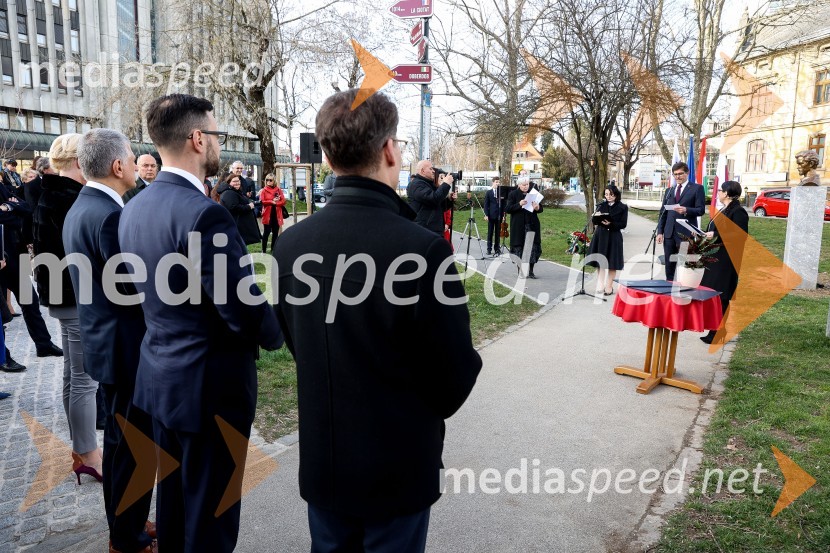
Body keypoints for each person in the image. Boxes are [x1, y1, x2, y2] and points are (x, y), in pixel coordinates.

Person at [273, 88, 481, 553]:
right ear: (389, 150)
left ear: (327, 157)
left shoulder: (289, 246)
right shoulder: (423, 250)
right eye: (401, 144)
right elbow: (453, 376)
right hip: (397, 465)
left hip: (326, 459)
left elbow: (294, 340)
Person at [118, 93, 283, 552]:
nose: (219, 145)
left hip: (161, 379)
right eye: (216, 135)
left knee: (175, 507)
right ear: (196, 139)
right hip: (210, 386)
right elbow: (241, 306)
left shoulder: (135, 206)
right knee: (211, 515)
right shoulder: (204, 213)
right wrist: (277, 330)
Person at [64, 128, 157, 553]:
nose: (137, 162)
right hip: (126, 347)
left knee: (121, 446)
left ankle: (127, 523)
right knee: (133, 448)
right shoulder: (110, 215)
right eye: (132, 156)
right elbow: (133, 288)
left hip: (105, 343)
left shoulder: (82, 206)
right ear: (118, 166)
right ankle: (127, 536)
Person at [33, 133, 102, 481]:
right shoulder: (68, 198)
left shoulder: (52, 192)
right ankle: (89, 453)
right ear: (79, 162)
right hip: (73, 296)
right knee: (84, 378)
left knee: (72, 375)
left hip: (62, 296)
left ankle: (81, 447)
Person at [700, 180, 749, 344]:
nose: (718, 193)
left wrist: (715, 235)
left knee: (721, 295)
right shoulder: (725, 209)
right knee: (714, 294)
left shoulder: (738, 212)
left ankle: (719, 331)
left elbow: (739, 236)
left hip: (727, 260)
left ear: (727, 193)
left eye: (720, 190)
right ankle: (714, 329)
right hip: (716, 258)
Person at [656, 161, 705, 281]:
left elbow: (701, 210)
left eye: (680, 174)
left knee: (684, 265)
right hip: (669, 233)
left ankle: (682, 289)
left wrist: (686, 210)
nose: (677, 176)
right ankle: (669, 287)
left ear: (687, 173)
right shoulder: (670, 190)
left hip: (685, 234)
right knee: (669, 263)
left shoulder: (696, 188)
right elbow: (663, 213)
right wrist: (660, 232)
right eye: (675, 174)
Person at [587, 185, 628, 295]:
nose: (608, 196)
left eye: (611, 194)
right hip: (601, 235)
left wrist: (611, 224)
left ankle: (609, 286)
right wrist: (596, 219)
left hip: (614, 236)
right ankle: (600, 284)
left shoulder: (623, 207)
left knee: (612, 262)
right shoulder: (601, 205)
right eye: (606, 194)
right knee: (601, 260)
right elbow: (594, 220)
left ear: (616, 194)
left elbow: (623, 224)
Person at [505, 177, 543, 279]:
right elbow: (508, 209)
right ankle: (521, 272)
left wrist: (537, 207)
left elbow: (541, 208)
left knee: (532, 249)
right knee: (519, 248)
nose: (526, 186)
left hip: (531, 225)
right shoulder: (513, 194)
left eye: (527, 184)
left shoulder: (533, 193)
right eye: (524, 185)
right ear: (519, 185)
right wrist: (519, 204)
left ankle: (531, 271)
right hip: (519, 226)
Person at [408, 159, 456, 234]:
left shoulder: (429, 184)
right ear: (422, 171)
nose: (434, 171)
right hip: (424, 231)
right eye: (430, 169)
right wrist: (446, 184)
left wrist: (449, 199)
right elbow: (434, 199)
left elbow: (439, 206)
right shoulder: (416, 185)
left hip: (433, 229)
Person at [219, 174, 262, 245]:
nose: (237, 183)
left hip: (239, 225)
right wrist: (249, 207)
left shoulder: (234, 191)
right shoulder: (229, 193)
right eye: (234, 181)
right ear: (229, 182)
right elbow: (234, 207)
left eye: (238, 181)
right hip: (236, 225)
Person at [259, 172, 285, 254]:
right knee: (266, 233)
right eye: (267, 180)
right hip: (267, 214)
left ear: (274, 181)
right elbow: (262, 201)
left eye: (270, 180)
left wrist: (276, 203)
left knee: (275, 232)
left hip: (276, 214)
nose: (268, 181)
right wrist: (272, 201)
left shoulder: (278, 190)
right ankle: (263, 250)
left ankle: (273, 249)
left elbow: (283, 201)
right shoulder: (264, 190)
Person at [483, 177, 503, 256]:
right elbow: (486, 204)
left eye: (499, 182)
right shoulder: (489, 192)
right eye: (496, 182)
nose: (498, 183)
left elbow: (503, 204)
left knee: (498, 233)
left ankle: (497, 249)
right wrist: (486, 214)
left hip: (499, 216)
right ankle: (489, 249)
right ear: (493, 183)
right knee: (490, 233)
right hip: (491, 216)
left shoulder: (501, 193)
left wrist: (503, 214)